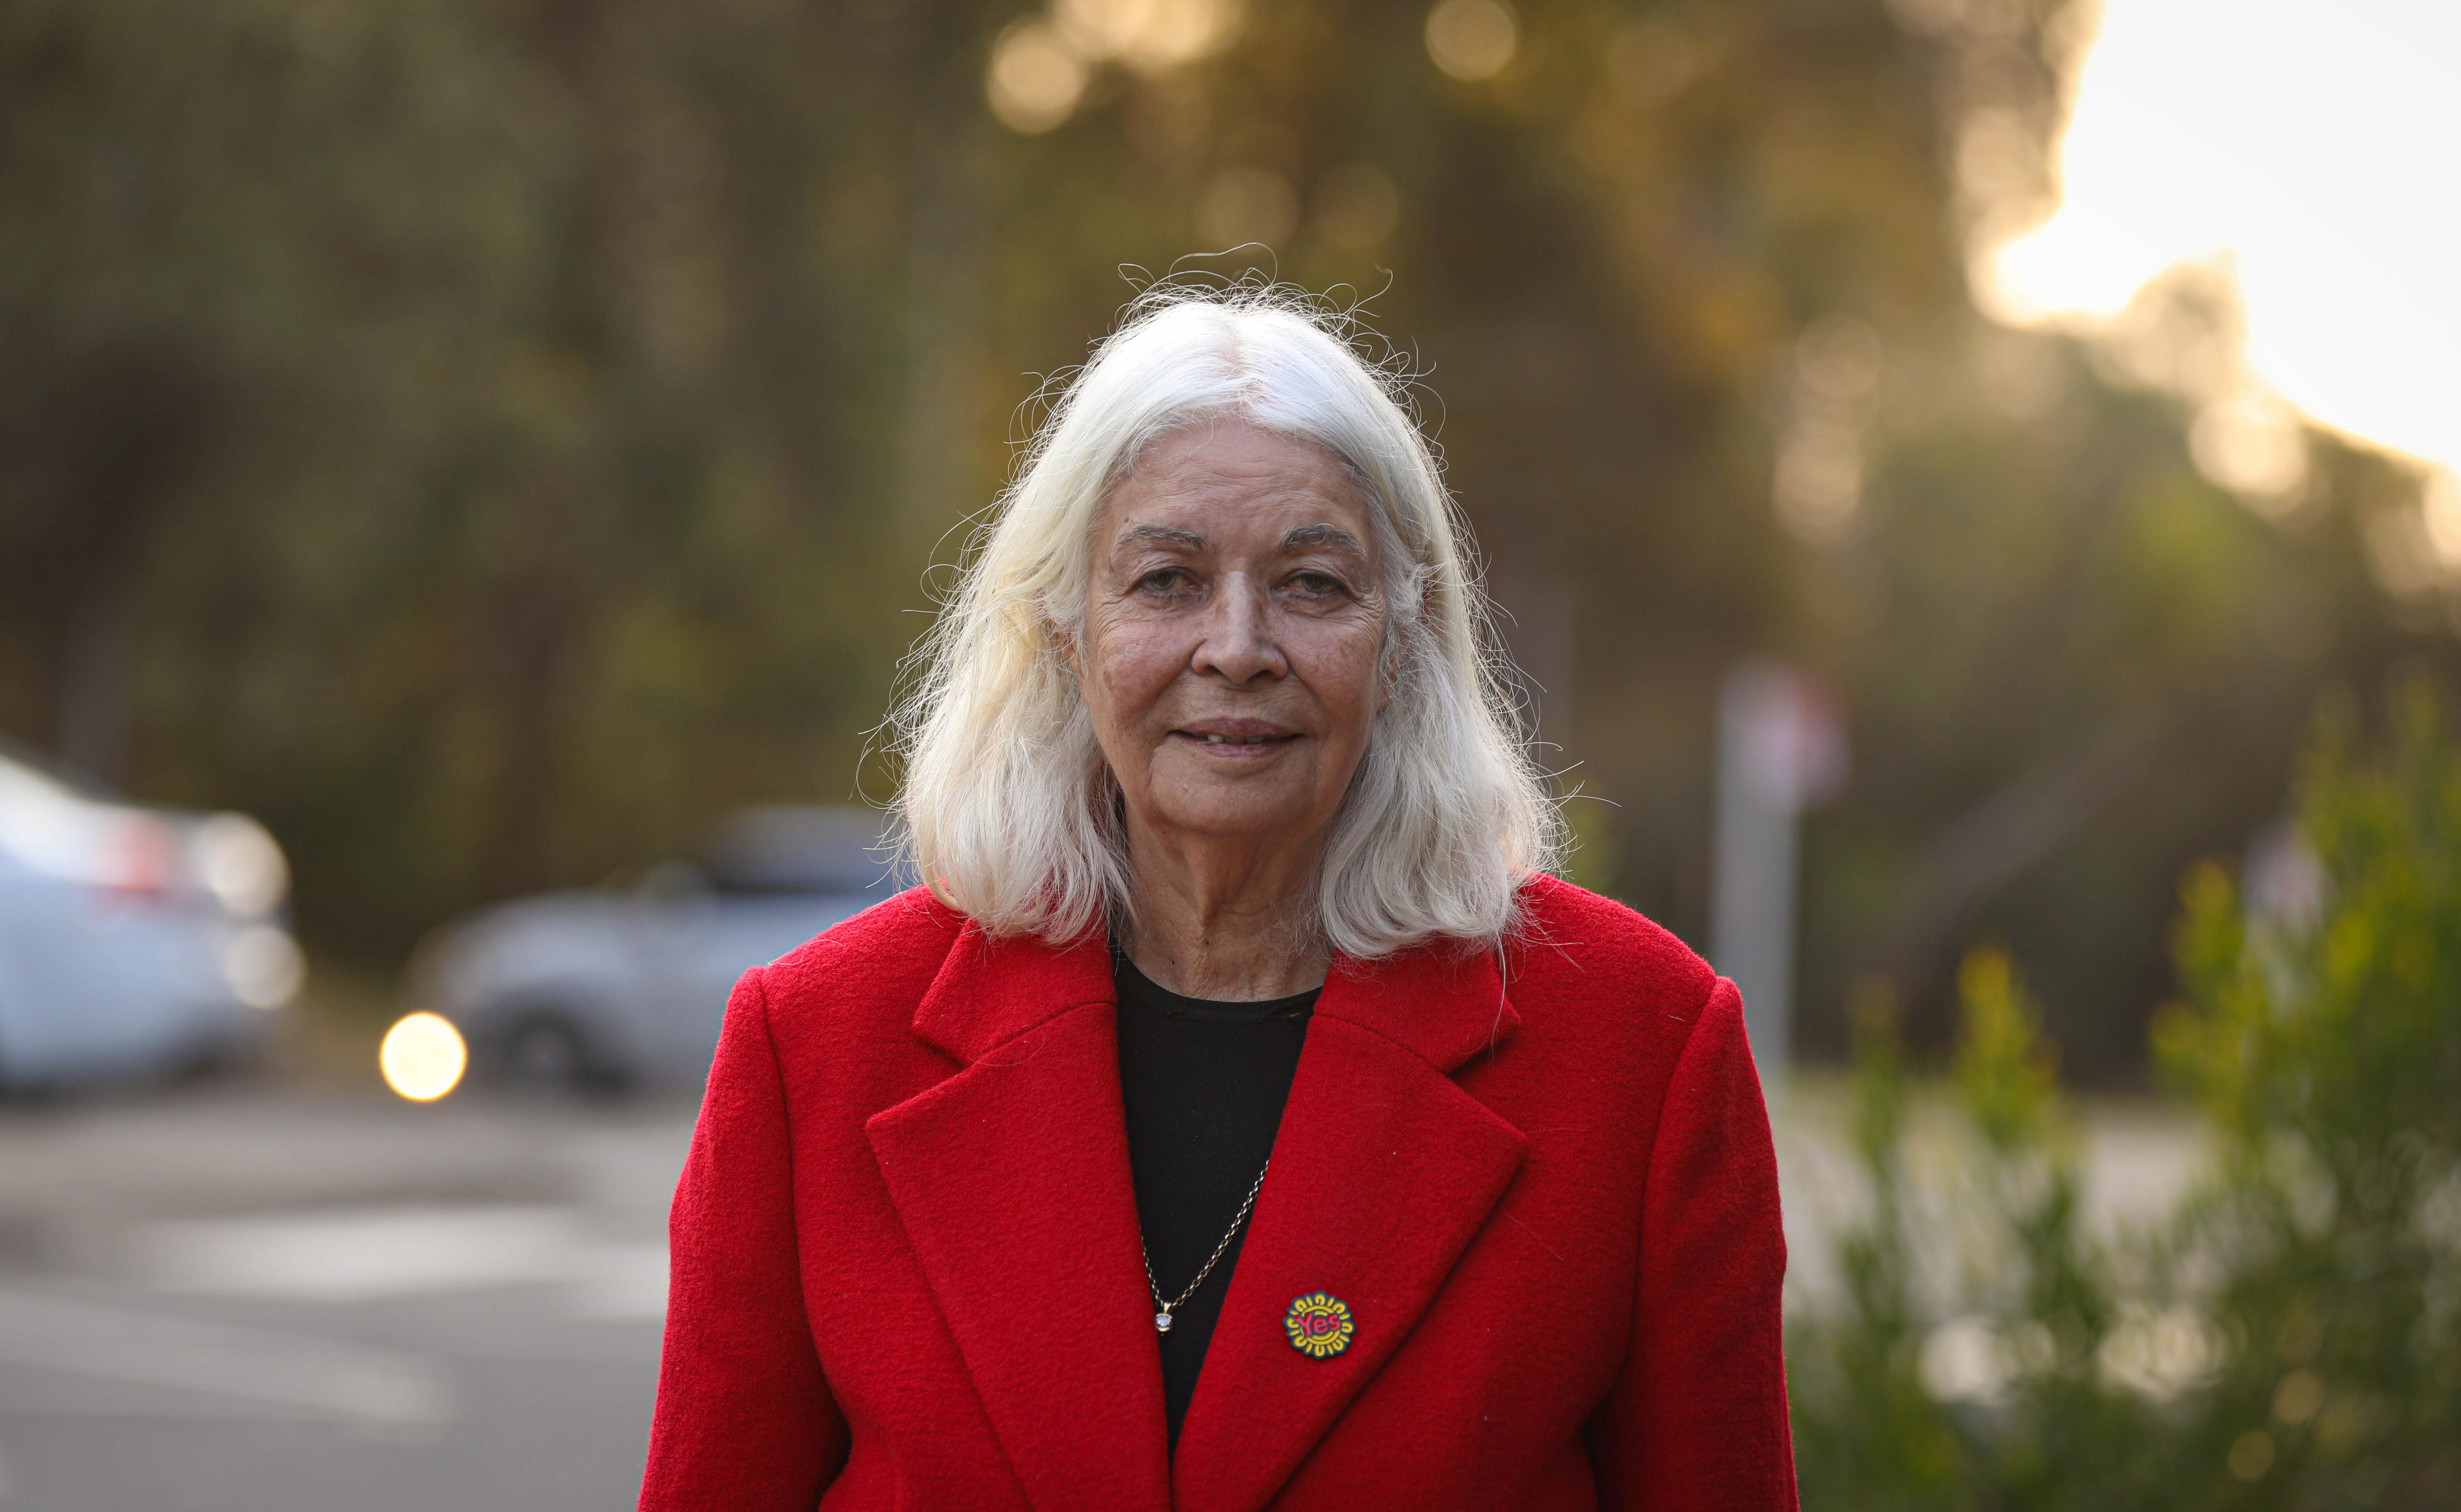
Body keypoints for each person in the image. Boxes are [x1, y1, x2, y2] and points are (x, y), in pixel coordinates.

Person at [638, 286, 1797, 1512]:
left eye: (1310, 584)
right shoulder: (813, 1047)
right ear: (1066, 630)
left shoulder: (1644, 1051)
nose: (1237, 647)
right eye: (1166, 580)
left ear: (1403, 637)